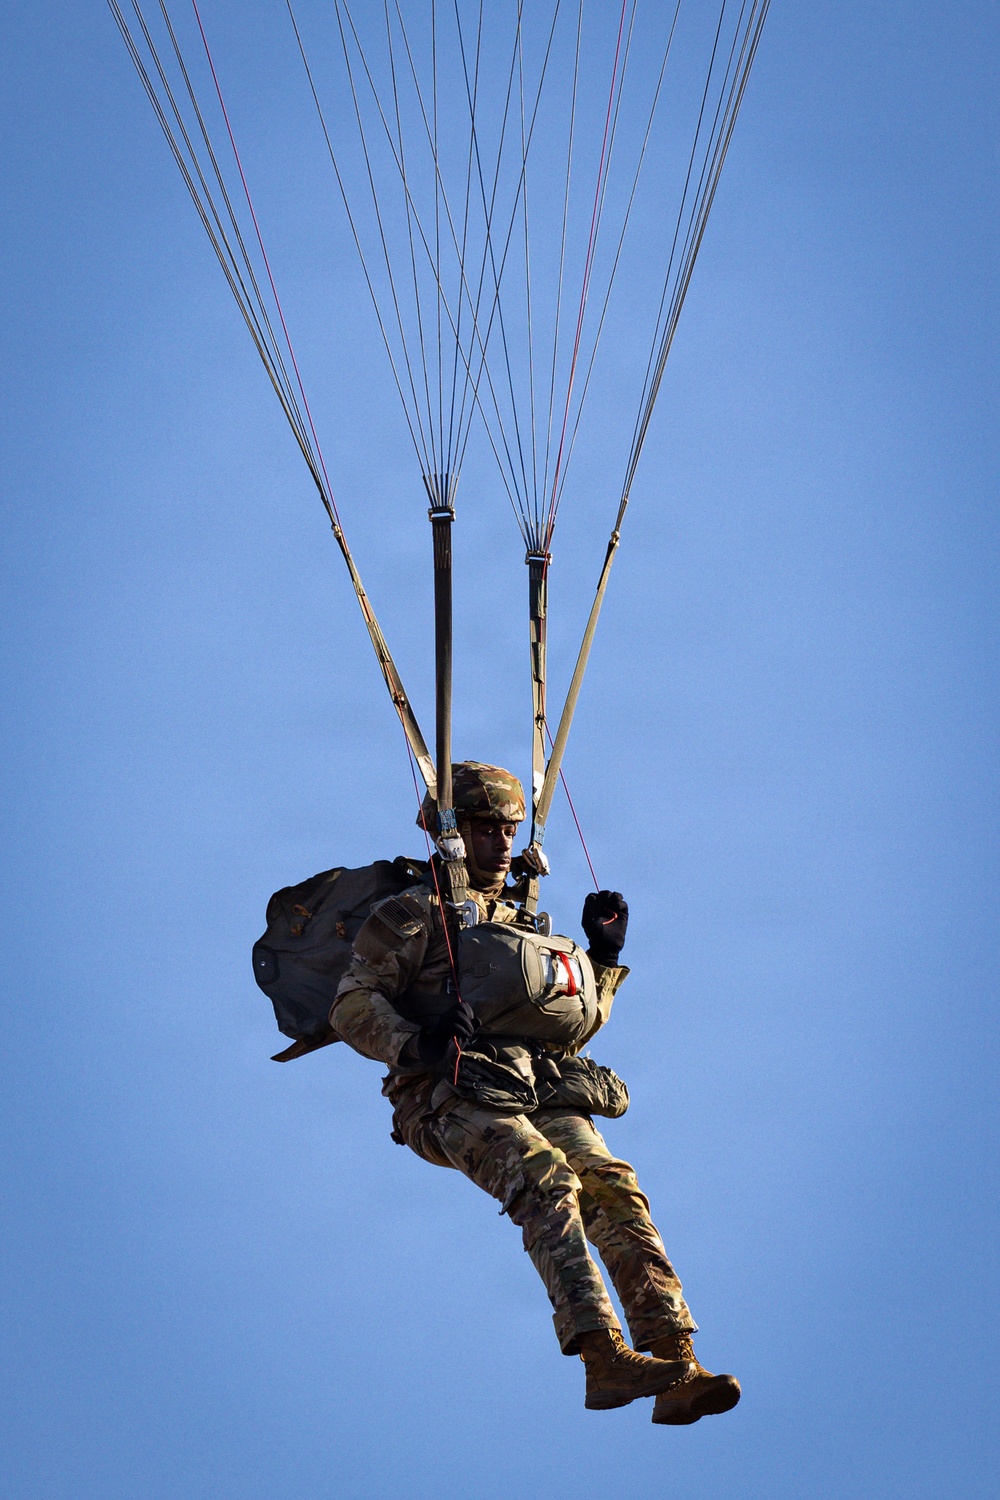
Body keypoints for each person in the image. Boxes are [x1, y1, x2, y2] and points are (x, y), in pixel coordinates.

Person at [330, 762, 739, 1421]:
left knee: (612, 1184)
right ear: (453, 833)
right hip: (449, 1095)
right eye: (486, 829)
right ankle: (601, 1354)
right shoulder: (415, 915)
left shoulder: (522, 922)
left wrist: (601, 964)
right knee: (546, 1178)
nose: (500, 843)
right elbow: (350, 1006)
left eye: (509, 830)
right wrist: (419, 1043)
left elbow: (567, 1031)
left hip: (533, 1084)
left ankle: (675, 1358)